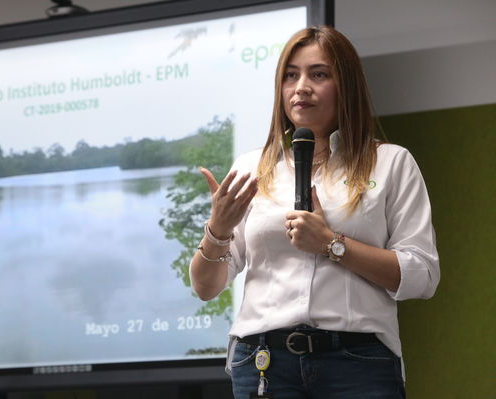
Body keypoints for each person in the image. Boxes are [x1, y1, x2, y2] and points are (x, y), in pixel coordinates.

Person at [189, 26, 440, 399]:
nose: (301, 86)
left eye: (318, 74)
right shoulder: (250, 167)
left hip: (358, 363)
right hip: (263, 363)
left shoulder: (391, 163)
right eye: (291, 75)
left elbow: (423, 276)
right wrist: (218, 229)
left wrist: (332, 244)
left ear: (347, 86)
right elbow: (205, 287)